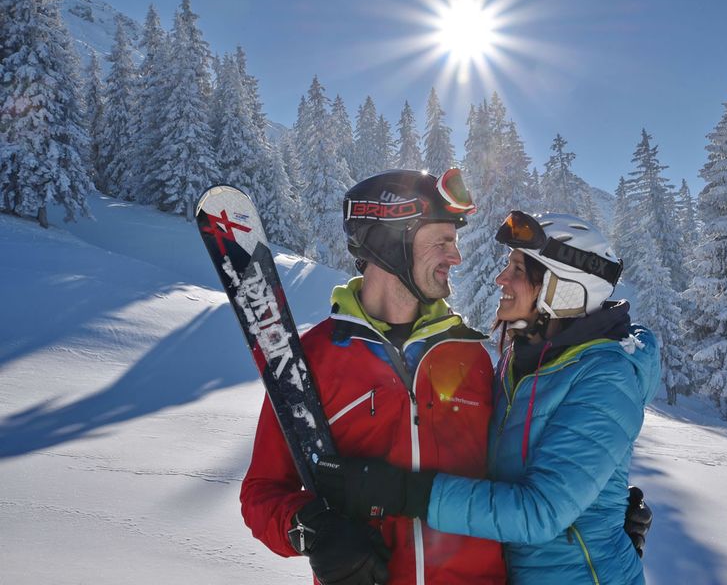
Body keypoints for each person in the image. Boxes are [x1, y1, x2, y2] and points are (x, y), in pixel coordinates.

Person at [315, 209, 661, 585]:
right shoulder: (525, 360)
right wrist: (605, 499)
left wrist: (402, 492)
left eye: (518, 270)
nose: (501, 279)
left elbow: (540, 511)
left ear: (561, 290)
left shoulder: (605, 377)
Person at [240, 169, 507, 584]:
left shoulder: (471, 356)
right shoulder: (312, 359)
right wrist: (313, 531)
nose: (455, 257)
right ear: (388, 242)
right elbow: (262, 491)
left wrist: (600, 513)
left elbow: (519, 475)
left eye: (454, 242)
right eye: (441, 241)